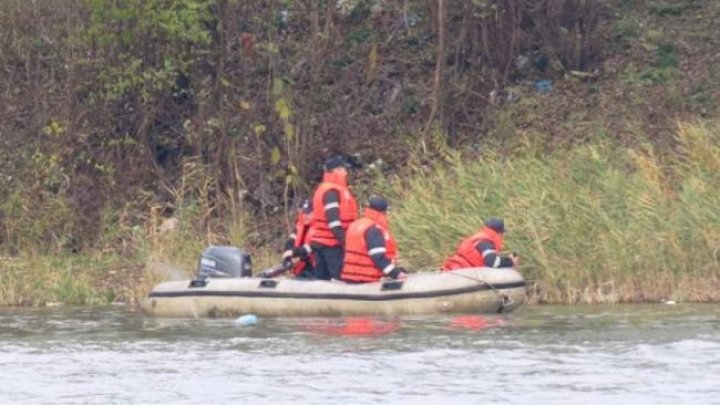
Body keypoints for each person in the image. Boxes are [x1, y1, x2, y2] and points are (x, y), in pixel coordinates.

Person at [308, 156, 359, 280]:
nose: (346, 173)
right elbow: (334, 224)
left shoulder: (325, 189)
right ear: (336, 170)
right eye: (344, 170)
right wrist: (347, 243)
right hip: (332, 245)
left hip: (321, 243)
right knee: (339, 280)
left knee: (322, 280)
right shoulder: (332, 192)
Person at [340, 197, 407, 283]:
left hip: (350, 275)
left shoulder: (356, 224)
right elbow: (378, 257)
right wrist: (396, 273)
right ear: (383, 212)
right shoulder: (374, 228)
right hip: (366, 277)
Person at [441, 218, 520, 271]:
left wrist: (505, 260)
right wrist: (510, 262)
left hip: (453, 268)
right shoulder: (486, 242)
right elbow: (492, 262)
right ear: (499, 233)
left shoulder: (477, 238)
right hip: (464, 271)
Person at [281, 199, 314, 278]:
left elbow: (314, 247)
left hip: (314, 264)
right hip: (302, 262)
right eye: (304, 212)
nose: (305, 216)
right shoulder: (300, 225)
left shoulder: (318, 226)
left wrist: (296, 254)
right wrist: (288, 254)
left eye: (308, 213)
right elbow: (291, 240)